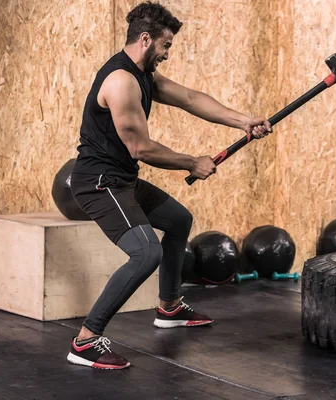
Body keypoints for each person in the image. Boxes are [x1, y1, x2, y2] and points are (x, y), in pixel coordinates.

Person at [66, 1, 272, 370]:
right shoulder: (121, 81)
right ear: (146, 40)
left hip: (122, 179)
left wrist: (242, 121)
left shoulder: (144, 75)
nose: (167, 54)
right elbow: (140, 147)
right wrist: (193, 161)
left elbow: (191, 99)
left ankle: (170, 306)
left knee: (178, 220)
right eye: (166, 46)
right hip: (99, 184)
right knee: (146, 253)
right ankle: (85, 340)